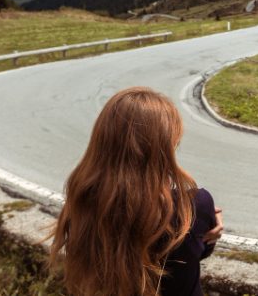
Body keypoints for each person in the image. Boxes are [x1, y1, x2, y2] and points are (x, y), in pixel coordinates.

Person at [49, 87, 224, 296]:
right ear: (168, 143)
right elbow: (191, 257)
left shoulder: (86, 196)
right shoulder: (194, 204)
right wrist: (209, 230)